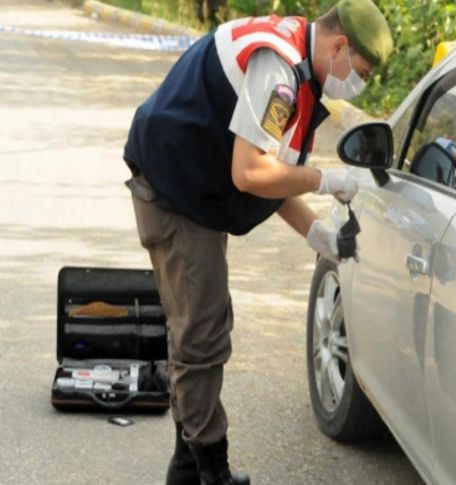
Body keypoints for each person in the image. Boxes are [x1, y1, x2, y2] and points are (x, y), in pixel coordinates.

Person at [122, 1, 393, 483]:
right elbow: (250, 172)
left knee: (199, 328)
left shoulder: (298, 64)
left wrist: (317, 232)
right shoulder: (280, 73)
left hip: (190, 186)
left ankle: (186, 466)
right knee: (202, 335)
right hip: (174, 191)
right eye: (363, 72)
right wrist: (325, 179)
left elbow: (274, 174)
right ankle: (211, 471)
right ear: (339, 47)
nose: (361, 84)